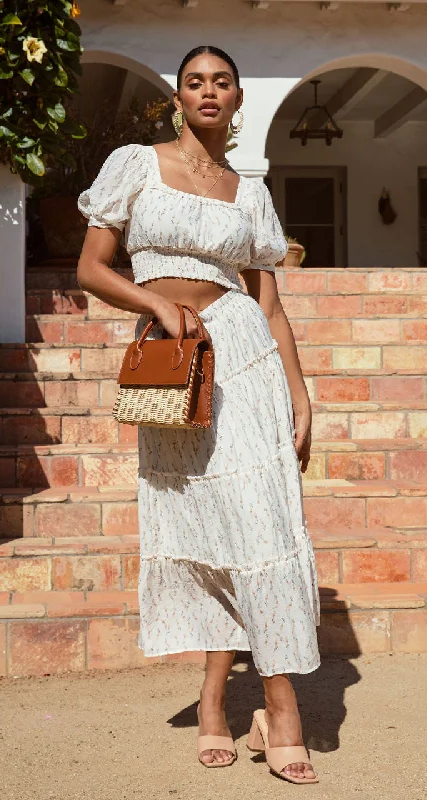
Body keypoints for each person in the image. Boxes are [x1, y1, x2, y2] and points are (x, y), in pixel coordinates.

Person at [77, 45, 321, 785]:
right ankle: (215, 701)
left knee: (264, 523)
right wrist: (154, 301)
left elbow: (269, 304)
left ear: (238, 99)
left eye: (221, 82)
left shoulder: (248, 192)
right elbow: (91, 266)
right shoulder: (136, 164)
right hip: (176, 364)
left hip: (243, 352)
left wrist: (300, 392)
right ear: (177, 99)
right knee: (212, 530)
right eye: (194, 82)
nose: (207, 92)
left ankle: (281, 707)